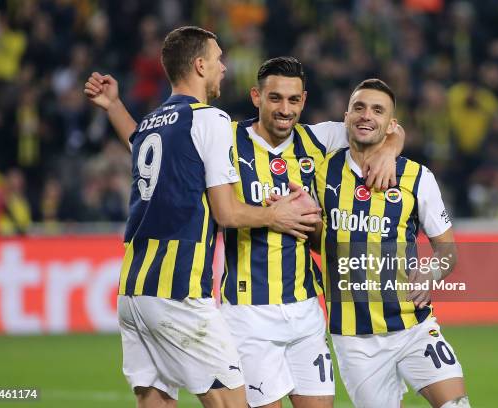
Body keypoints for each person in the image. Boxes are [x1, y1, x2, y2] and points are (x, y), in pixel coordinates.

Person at [86, 56, 405, 408]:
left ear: (304, 100)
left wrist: (390, 150)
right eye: (275, 98)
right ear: (257, 97)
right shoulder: (227, 138)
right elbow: (153, 151)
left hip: (306, 312)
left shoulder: (319, 139)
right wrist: (114, 107)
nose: (285, 109)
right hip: (248, 314)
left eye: (294, 100)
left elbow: (380, 125)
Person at [84, 26, 321, 408]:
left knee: (155, 398)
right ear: (199, 65)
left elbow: (136, 142)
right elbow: (226, 213)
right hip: (178, 290)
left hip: (133, 290)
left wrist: (113, 106)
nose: (223, 68)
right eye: (218, 59)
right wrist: (274, 215)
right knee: (231, 401)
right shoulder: (209, 119)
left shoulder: (153, 123)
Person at [312, 79, 469, 408]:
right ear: (346, 118)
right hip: (354, 339)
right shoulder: (320, 173)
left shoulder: (417, 177)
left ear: (391, 125)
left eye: (377, 110)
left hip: (413, 325)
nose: (366, 115)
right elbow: (317, 236)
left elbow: (447, 250)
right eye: (359, 107)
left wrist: (432, 273)